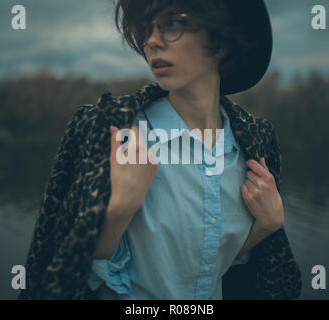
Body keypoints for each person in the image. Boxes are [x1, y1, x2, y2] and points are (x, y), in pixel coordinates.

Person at [19, 0, 301, 300]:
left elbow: (215, 265)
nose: (152, 42)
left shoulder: (253, 145)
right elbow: (61, 271)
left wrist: (267, 226)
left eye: (172, 23)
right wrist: (119, 210)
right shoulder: (112, 132)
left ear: (221, 42)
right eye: (148, 29)